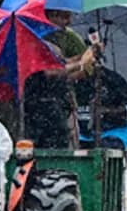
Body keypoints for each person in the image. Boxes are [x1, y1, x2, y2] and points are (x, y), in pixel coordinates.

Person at [22, 8, 98, 150]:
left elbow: (63, 64)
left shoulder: (60, 40)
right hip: (37, 107)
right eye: (64, 17)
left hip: (58, 104)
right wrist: (81, 63)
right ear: (51, 17)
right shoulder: (34, 41)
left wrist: (88, 56)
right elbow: (51, 72)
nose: (68, 22)